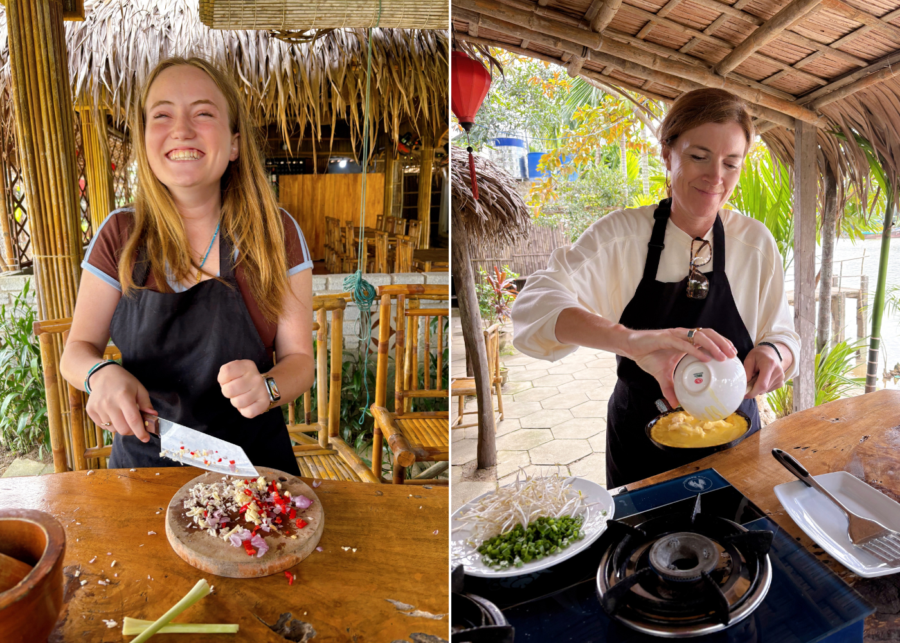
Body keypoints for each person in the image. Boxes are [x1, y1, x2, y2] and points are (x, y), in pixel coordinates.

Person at [512, 88, 800, 488]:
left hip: (737, 445)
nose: (716, 177)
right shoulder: (621, 236)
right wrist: (631, 341)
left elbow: (782, 332)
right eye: (699, 156)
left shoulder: (755, 243)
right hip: (641, 446)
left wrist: (774, 353)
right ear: (668, 153)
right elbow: (534, 307)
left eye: (731, 164)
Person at [60, 57, 314, 474]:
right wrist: (99, 374)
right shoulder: (121, 234)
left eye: (203, 113)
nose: (181, 129)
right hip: (144, 467)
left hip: (252, 470)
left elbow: (300, 360)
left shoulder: (276, 233)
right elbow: (76, 351)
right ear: (143, 139)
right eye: (162, 114)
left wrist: (267, 387)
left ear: (234, 143)